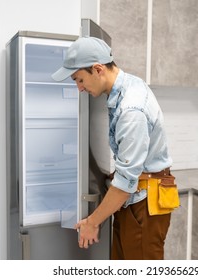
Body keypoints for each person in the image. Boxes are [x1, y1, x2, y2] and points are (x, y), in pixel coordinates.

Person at [51, 36, 177, 260]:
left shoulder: (131, 109)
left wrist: (91, 222)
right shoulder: (125, 87)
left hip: (143, 205)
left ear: (98, 69)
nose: (79, 88)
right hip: (134, 200)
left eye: (79, 80)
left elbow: (126, 182)